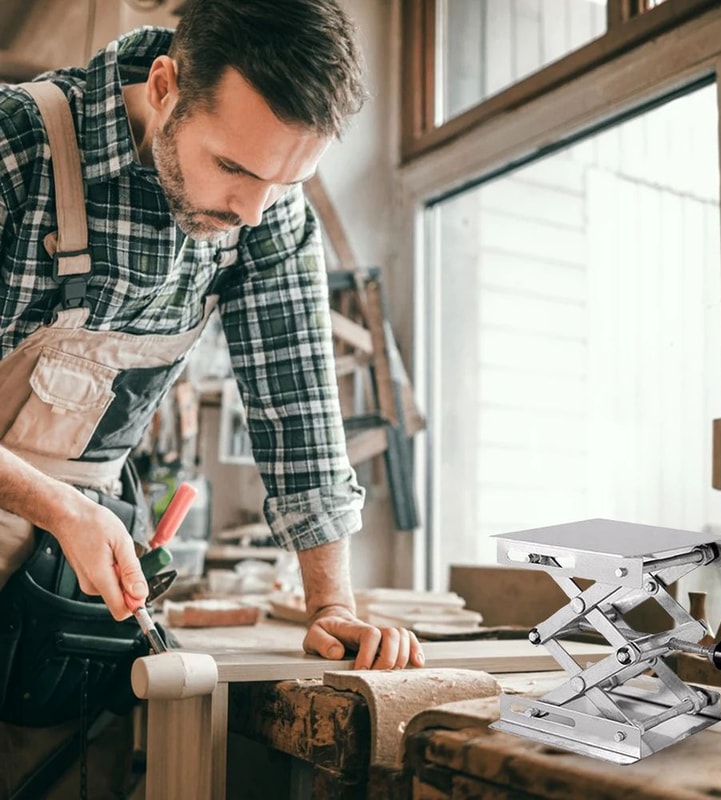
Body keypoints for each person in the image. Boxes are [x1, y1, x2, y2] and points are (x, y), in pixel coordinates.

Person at [0, 0, 423, 795]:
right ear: (165, 87)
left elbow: (300, 404)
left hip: (68, 578)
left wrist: (330, 604)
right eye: (233, 167)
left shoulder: (267, 211)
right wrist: (59, 509)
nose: (250, 211)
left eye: (284, 182)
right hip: (66, 522)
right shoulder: (15, 144)